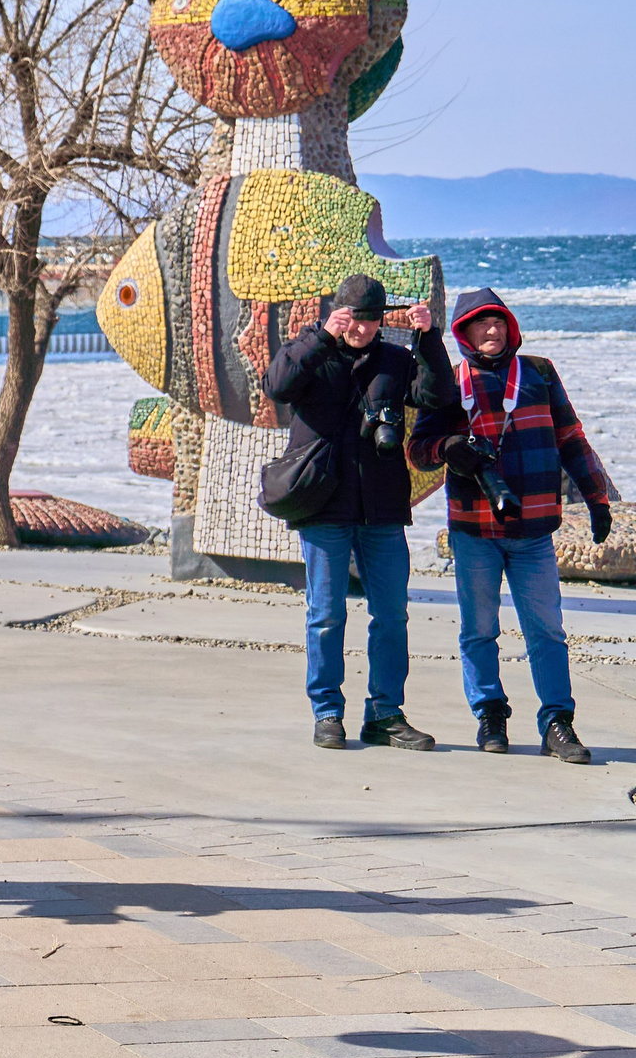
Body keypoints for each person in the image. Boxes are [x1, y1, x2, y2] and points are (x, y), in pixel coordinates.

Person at [410, 288, 614, 763]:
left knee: (547, 632)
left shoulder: (539, 372)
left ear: (510, 327)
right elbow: (418, 450)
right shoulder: (449, 380)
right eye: (481, 323)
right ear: (464, 332)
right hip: (473, 532)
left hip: (534, 532)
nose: (492, 330)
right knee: (479, 631)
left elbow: (571, 437)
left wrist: (597, 498)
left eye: (499, 321)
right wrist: (448, 449)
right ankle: (490, 715)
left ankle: (557, 724)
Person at [263, 273, 451, 752]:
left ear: (381, 320)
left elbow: (436, 397)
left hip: (382, 508)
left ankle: (385, 715)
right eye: (353, 318)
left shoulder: (395, 359)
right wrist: (322, 338)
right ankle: (327, 712)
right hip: (323, 505)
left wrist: (429, 340)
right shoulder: (310, 349)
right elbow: (276, 386)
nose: (362, 328)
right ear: (336, 313)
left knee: (391, 615)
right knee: (326, 614)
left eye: (371, 319)